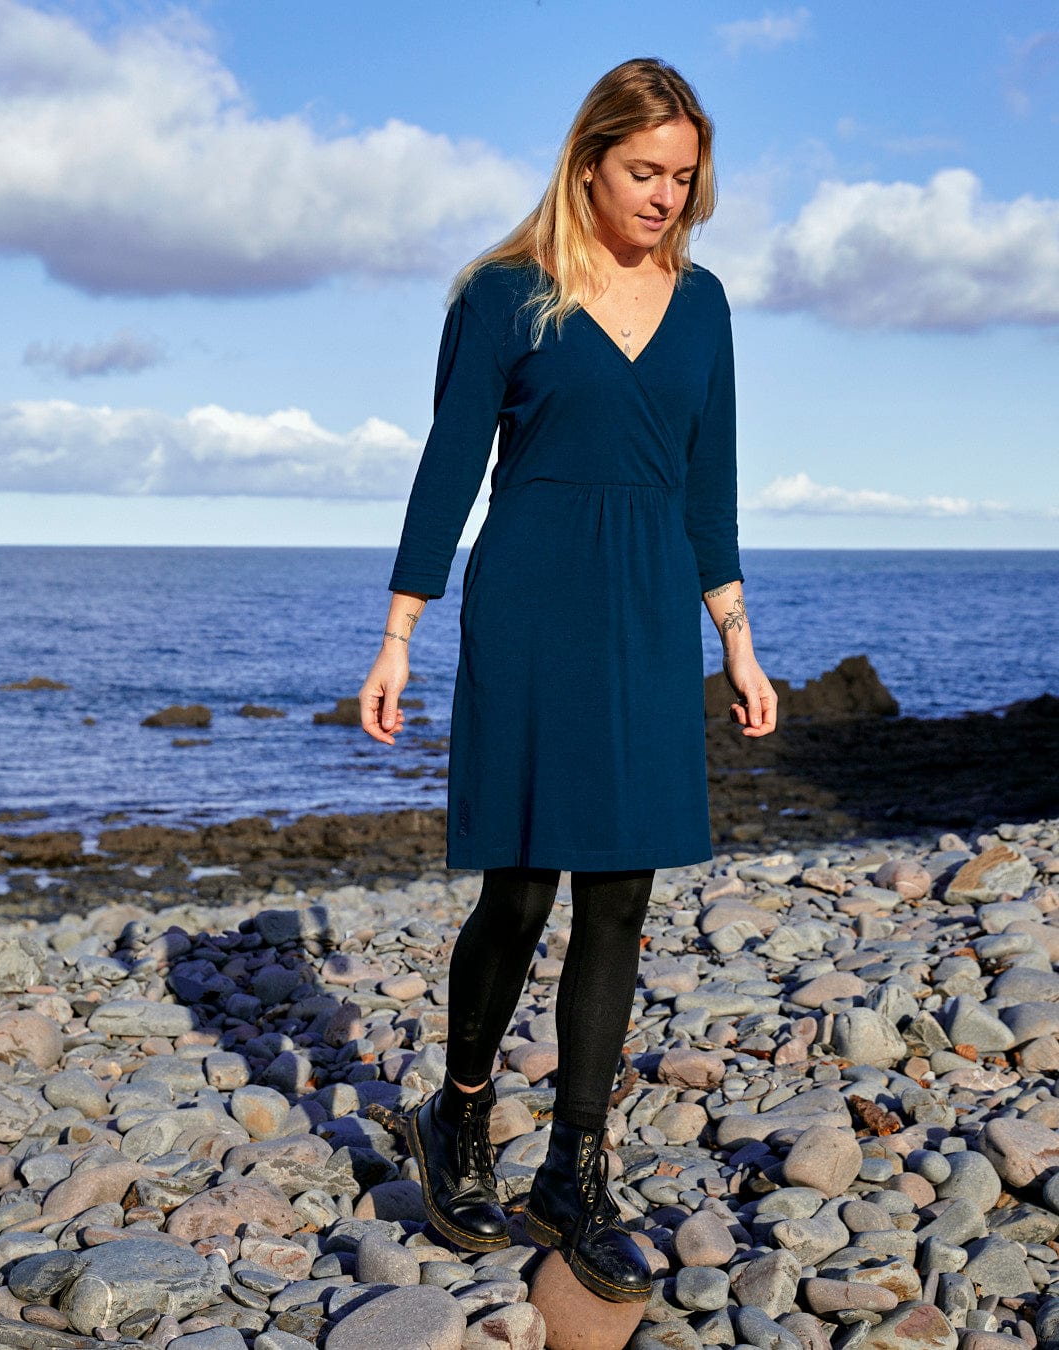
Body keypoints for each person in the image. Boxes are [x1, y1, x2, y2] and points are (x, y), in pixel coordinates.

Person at [359, 57, 777, 1304]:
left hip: (649, 604)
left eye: (683, 178)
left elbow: (711, 488)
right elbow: (448, 469)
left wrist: (738, 638)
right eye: (643, 171)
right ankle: (460, 1116)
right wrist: (398, 634)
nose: (663, 197)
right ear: (588, 159)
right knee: (523, 885)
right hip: (534, 594)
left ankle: (575, 1173)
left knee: (621, 894)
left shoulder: (703, 307)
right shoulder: (505, 296)